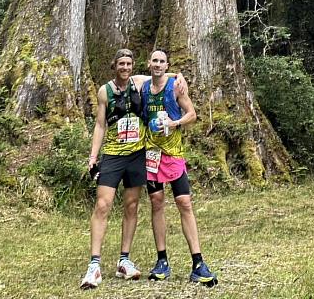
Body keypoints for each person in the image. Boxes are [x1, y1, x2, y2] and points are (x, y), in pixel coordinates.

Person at [80, 48, 185, 290]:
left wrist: (179, 75)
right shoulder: (104, 91)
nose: (125, 68)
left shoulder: (139, 83)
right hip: (114, 155)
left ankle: (124, 259)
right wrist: (93, 156)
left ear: (133, 65)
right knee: (103, 205)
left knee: (132, 205)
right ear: (114, 66)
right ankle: (94, 264)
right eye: (121, 64)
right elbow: (99, 125)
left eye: (129, 63)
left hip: (137, 154)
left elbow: (161, 75)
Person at [142, 49, 218, 286]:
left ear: (167, 65)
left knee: (184, 203)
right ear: (149, 63)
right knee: (156, 202)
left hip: (173, 154)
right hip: (151, 154)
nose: (157, 64)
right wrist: (178, 72)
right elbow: (124, 76)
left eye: (162, 61)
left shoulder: (175, 86)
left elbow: (192, 114)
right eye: (154, 61)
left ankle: (198, 263)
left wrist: (175, 123)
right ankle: (161, 260)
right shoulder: (143, 85)